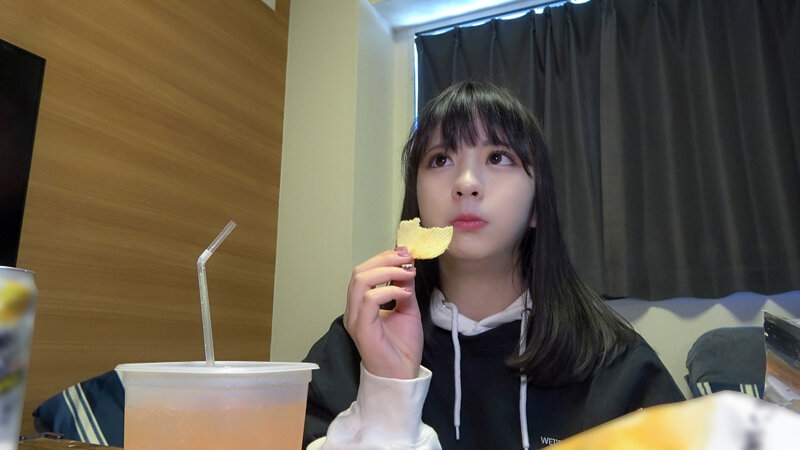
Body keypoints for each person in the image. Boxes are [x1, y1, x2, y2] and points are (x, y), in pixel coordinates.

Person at [302, 80, 684, 449]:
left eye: (498, 157)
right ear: (416, 200)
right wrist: (387, 391)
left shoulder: (613, 360)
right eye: (441, 159)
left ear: (536, 207)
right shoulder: (360, 341)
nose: (466, 183)